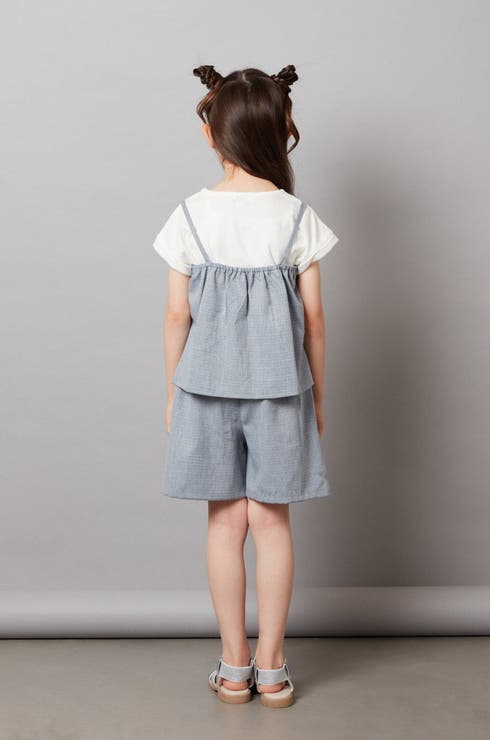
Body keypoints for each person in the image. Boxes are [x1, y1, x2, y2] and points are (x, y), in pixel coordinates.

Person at [153, 64, 339, 708]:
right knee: (272, 522)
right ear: (283, 130)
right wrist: (318, 396)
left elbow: (177, 315)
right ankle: (273, 668)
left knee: (224, 523)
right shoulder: (296, 217)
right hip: (281, 390)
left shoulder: (189, 215)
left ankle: (234, 669)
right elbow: (315, 320)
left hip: (204, 389)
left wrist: (173, 392)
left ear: (211, 132)